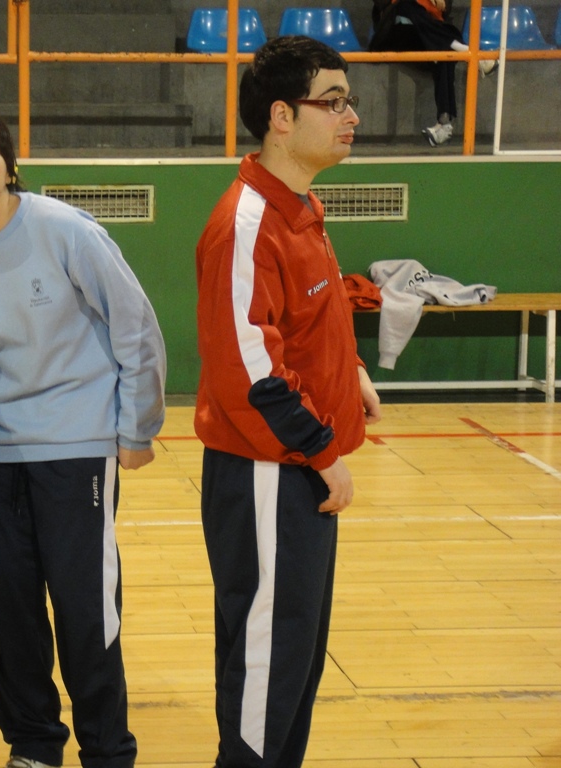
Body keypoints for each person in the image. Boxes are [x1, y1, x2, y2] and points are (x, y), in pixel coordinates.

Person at [0, 104, 167, 768]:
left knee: (86, 611)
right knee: (10, 615)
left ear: (11, 164)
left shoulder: (66, 230)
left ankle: (106, 749)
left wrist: (137, 426)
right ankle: (34, 745)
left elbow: (136, 328)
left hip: (79, 452)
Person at [194, 36, 382, 767]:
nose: (350, 115)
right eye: (330, 101)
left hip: (296, 472)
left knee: (294, 654)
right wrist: (323, 452)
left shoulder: (302, 204)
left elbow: (305, 322)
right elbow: (249, 375)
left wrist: (351, 370)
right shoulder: (247, 223)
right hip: (270, 475)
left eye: (349, 100)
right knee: (268, 661)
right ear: (280, 116)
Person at [369, 0, 497, 147]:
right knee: (406, 5)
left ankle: (444, 124)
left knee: (445, 53)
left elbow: (445, 8)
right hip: (397, 32)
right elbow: (381, 3)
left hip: (429, 36)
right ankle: (471, 54)